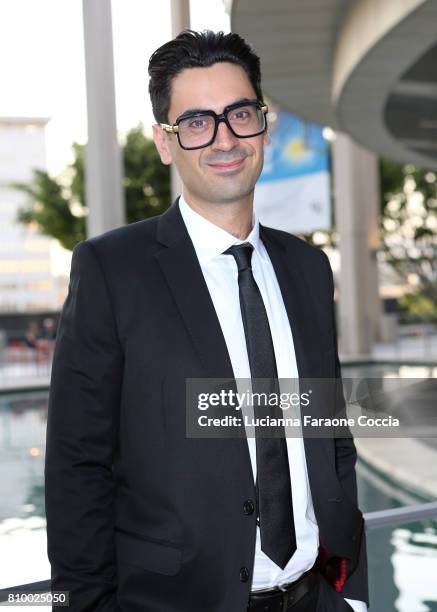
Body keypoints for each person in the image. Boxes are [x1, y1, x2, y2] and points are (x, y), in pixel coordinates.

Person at [45, 30, 368, 612]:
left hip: (316, 598)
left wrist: (354, 591)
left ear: (264, 126)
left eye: (239, 114)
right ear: (165, 143)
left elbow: (331, 437)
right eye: (196, 121)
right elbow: (77, 466)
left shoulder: (310, 269)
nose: (223, 138)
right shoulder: (112, 270)